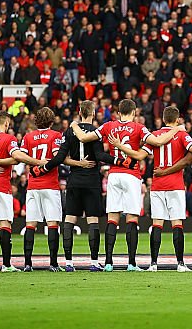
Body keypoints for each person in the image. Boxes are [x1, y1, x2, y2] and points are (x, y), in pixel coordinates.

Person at [69, 98, 182, 271]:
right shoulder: (139, 128)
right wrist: (176, 129)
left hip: (114, 175)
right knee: (132, 218)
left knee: (112, 218)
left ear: (118, 111)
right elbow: (158, 142)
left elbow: (84, 138)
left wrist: (74, 125)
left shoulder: (109, 126)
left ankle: (108, 262)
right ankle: (131, 263)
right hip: (132, 175)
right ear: (134, 111)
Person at [120, 105, 192, 270]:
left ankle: (153, 264)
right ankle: (180, 263)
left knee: (157, 224)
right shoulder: (182, 135)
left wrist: (120, 146)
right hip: (175, 184)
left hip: (157, 185)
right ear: (177, 120)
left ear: (163, 119)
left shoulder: (154, 135)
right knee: (177, 224)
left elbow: (140, 155)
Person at [34, 100, 114, 272]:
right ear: (92, 113)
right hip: (92, 181)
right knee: (93, 220)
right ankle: (94, 262)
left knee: (70, 219)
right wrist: (118, 161)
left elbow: (60, 157)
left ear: (79, 113)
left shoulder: (69, 131)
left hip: (74, 180)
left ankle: (68, 263)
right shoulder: (96, 131)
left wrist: (43, 168)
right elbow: (100, 155)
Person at [0, 111, 46, 272]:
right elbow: (17, 157)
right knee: (4, 224)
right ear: (6, 123)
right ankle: (6, 264)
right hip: (1, 186)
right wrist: (38, 162)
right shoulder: (9, 139)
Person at [20, 107, 64, 271]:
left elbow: (22, 156)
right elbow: (56, 158)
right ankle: (53, 263)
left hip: (33, 185)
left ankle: (27, 264)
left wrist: (33, 164)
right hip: (50, 185)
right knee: (52, 224)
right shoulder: (55, 136)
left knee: (30, 224)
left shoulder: (28, 137)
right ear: (52, 121)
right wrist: (43, 166)